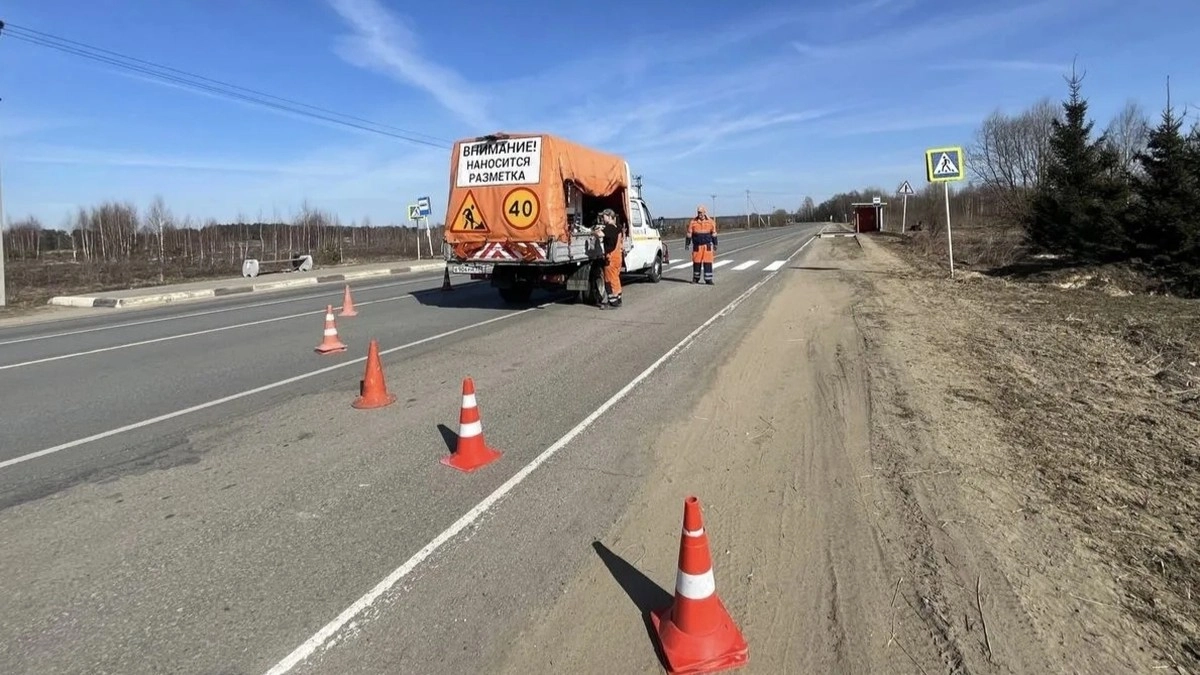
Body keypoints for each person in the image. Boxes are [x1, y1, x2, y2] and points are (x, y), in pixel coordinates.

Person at [593, 208, 623, 308]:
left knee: (609, 281)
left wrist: (594, 231)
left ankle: (612, 302)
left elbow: (600, 234)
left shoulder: (609, 228)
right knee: (616, 279)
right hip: (618, 257)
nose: (603, 218)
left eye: (604, 216)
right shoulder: (618, 228)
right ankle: (618, 299)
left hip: (611, 258)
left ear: (609, 217)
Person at [686, 204, 718, 284]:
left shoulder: (711, 222)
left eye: (700, 212)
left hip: (707, 246)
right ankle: (696, 278)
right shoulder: (693, 222)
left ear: (704, 212)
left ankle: (708, 279)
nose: (699, 214)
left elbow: (714, 233)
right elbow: (689, 233)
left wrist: (715, 244)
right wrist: (687, 243)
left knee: (708, 262)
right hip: (697, 246)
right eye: (698, 212)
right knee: (696, 262)